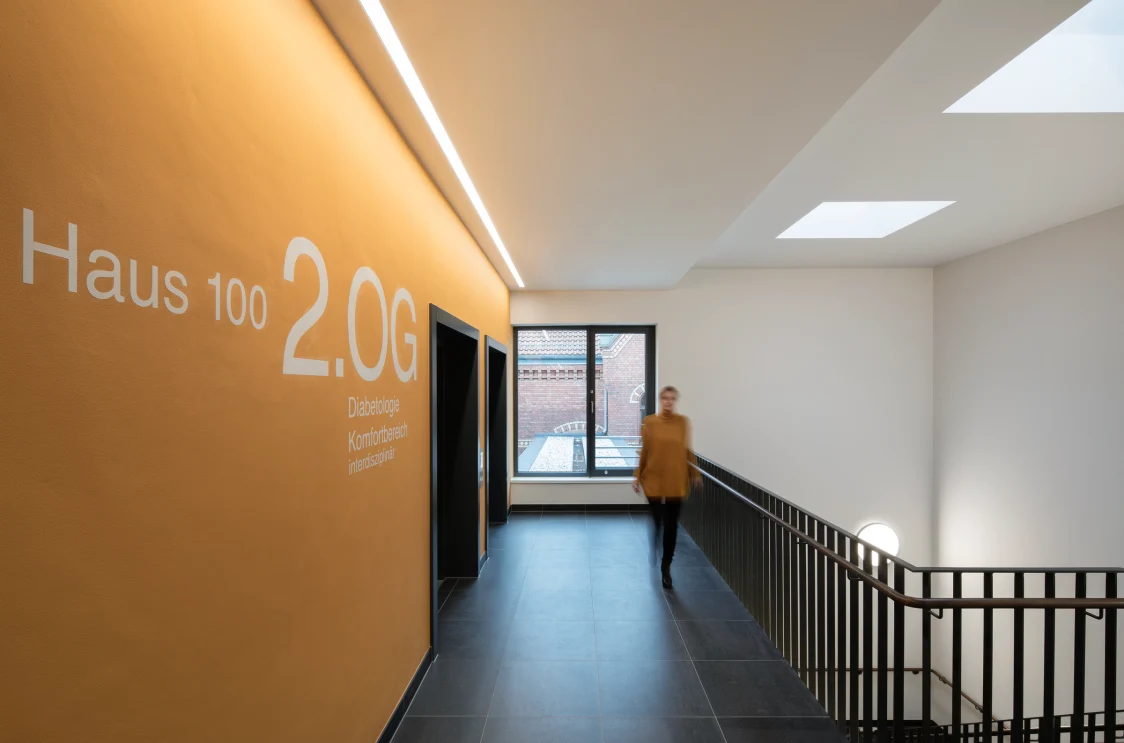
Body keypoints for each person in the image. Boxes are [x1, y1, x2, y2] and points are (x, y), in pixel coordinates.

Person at [633, 385, 700, 589]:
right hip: (653, 479)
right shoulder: (650, 422)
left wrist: (695, 473)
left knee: (671, 526)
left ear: (675, 401)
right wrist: (637, 476)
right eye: (665, 398)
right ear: (660, 400)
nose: (668, 402)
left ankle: (666, 567)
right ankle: (655, 543)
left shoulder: (682, 423)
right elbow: (645, 451)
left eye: (672, 398)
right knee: (657, 520)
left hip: (676, 481)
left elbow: (686, 450)